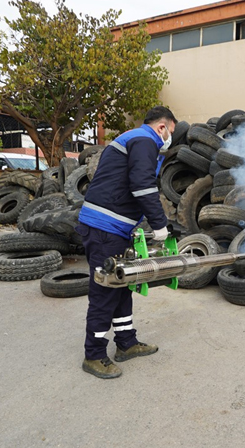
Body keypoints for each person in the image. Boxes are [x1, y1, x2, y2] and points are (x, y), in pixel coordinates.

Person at [75, 106, 177, 379]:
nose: (169, 139)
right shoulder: (145, 141)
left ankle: (126, 343)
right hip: (103, 229)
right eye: (171, 132)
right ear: (161, 127)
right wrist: (159, 225)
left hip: (112, 228)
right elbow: (142, 186)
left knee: (122, 285)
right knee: (105, 289)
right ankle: (94, 355)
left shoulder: (132, 139)